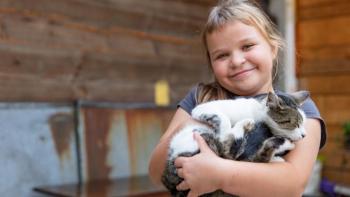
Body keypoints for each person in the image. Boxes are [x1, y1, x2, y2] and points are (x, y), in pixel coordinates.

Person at [148, 0, 327, 196]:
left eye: (247, 46)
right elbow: (156, 172)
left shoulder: (298, 111)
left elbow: (293, 184)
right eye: (222, 55)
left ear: (273, 48)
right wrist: (191, 125)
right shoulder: (200, 98)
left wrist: (219, 174)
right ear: (211, 63)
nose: (236, 61)